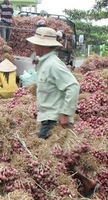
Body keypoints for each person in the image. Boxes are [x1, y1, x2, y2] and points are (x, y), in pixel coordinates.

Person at [26, 27, 100, 198]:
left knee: (45, 158)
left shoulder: (53, 64)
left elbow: (73, 86)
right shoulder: (45, 62)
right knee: (58, 158)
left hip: (54, 122)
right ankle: (88, 183)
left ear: (43, 46)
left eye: (36, 44)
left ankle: (58, 191)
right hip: (47, 119)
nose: (33, 46)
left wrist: (66, 113)